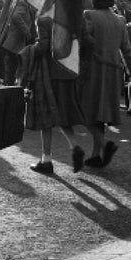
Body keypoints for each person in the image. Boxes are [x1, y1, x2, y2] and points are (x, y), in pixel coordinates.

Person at [18, 16, 86, 175]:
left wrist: (26, 52)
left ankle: (46, 161)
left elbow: (43, 46)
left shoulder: (43, 19)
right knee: (61, 115)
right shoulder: (70, 16)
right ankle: (75, 146)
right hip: (68, 73)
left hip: (49, 75)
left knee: (45, 118)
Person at [79, 0, 131, 168]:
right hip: (113, 71)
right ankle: (96, 155)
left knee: (84, 111)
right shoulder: (120, 20)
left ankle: (105, 146)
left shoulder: (89, 15)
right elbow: (126, 49)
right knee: (101, 114)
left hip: (93, 70)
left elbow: (84, 41)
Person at [0, 0, 37, 86]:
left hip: (15, 44)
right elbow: (16, 17)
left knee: (14, 70)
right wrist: (27, 33)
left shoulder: (24, 3)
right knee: (13, 70)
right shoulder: (22, 2)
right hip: (15, 44)